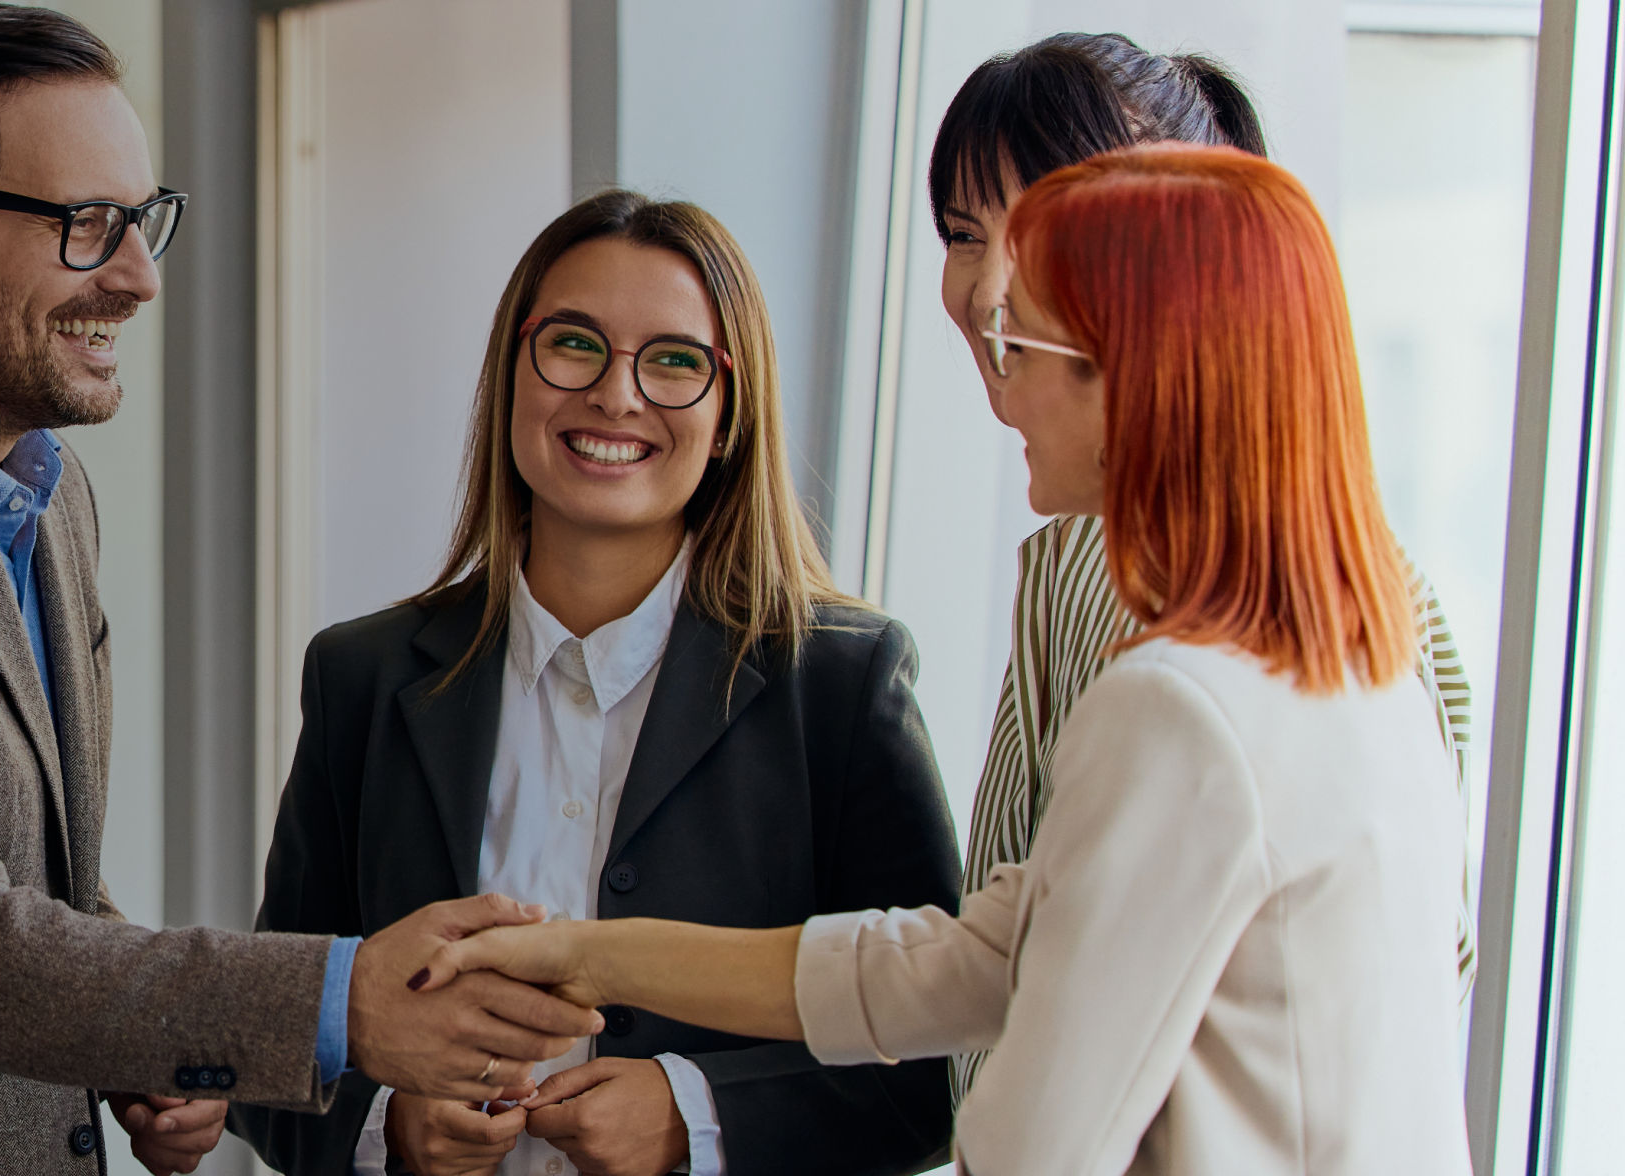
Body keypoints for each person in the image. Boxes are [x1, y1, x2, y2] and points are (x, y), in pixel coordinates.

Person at [0, 6, 602, 1174]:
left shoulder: (46, 494)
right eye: (88, 227)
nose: (139, 278)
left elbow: (31, 882)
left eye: (142, 222)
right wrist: (345, 1004)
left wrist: (177, 1048)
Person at [416, 144, 1474, 1175]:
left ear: (1134, 379)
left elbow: (1030, 1151)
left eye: (1023, 347)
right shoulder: (1353, 667)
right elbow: (962, 962)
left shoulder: (1175, 710)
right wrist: (585, 955)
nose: (1002, 393)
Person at [229, 191, 960, 1176]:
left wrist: (694, 1119)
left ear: (728, 410)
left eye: (673, 361)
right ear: (513, 373)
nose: (617, 396)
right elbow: (276, 1040)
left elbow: (933, 1062)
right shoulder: (361, 678)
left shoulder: (838, 683)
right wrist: (388, 1125)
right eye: (574, 344)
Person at [928, 37, 1475, 1097]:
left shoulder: (1234, 579)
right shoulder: (1098, 551)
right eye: (963, 235)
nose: (992, 288)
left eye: (1047, 220)